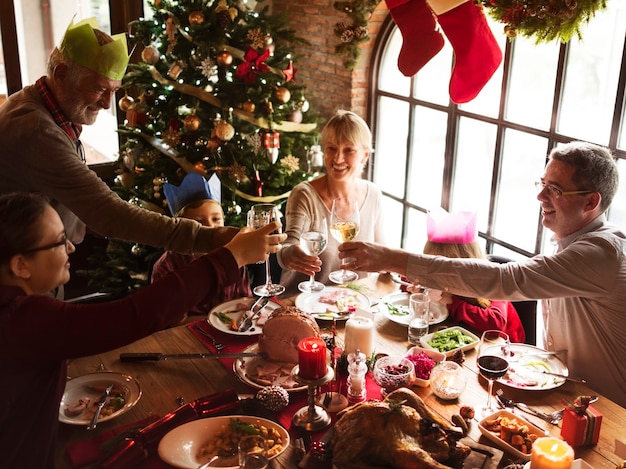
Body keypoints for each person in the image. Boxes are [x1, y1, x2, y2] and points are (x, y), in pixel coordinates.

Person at [0, 191, 285, 468]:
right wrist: (229, 257)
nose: (71, 247)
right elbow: (132, 316)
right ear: (20, 265)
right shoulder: (21, 319)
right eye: (59, 241)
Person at [340, 141, 626, 407]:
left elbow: (505, 280)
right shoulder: (571, 244)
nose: (540, 196)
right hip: (569, 394)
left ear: (590, 203)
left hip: (611, 409)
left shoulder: (602, 252)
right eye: (542, 184)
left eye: (555, 189)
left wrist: (392, 258)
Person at [0, 17, 236, 272]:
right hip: (19, 275)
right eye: (100, 89)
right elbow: (106, 212)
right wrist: (211, 238)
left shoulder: (45, 109)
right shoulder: (36, 130)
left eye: (114, 90)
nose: (106, 104)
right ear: (61, 74)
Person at [277, 110, 385, 296]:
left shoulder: (373, 194)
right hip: (301, 304)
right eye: (331, 148)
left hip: (352, 304)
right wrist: (290, 254)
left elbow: (383, 257)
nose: (338, 158)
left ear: (365, 156)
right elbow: (287, 248)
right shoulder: (304, 195)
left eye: (349, 150)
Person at [151, 172, 251, 316]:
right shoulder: (166, 267)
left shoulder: (235, 256)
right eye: (198, 222)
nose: (210, 226)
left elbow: (243, 303)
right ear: (182, 227)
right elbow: (166, 319)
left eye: (216, 219)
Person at [420, 207, 525, 343]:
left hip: (504, 349)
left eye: (442, 268)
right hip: (463, 336)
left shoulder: (493, 280)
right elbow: (418, 279)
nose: (437, 274)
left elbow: (495, 323)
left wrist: (452, 303)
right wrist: (417, 287)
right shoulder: (443, 277)